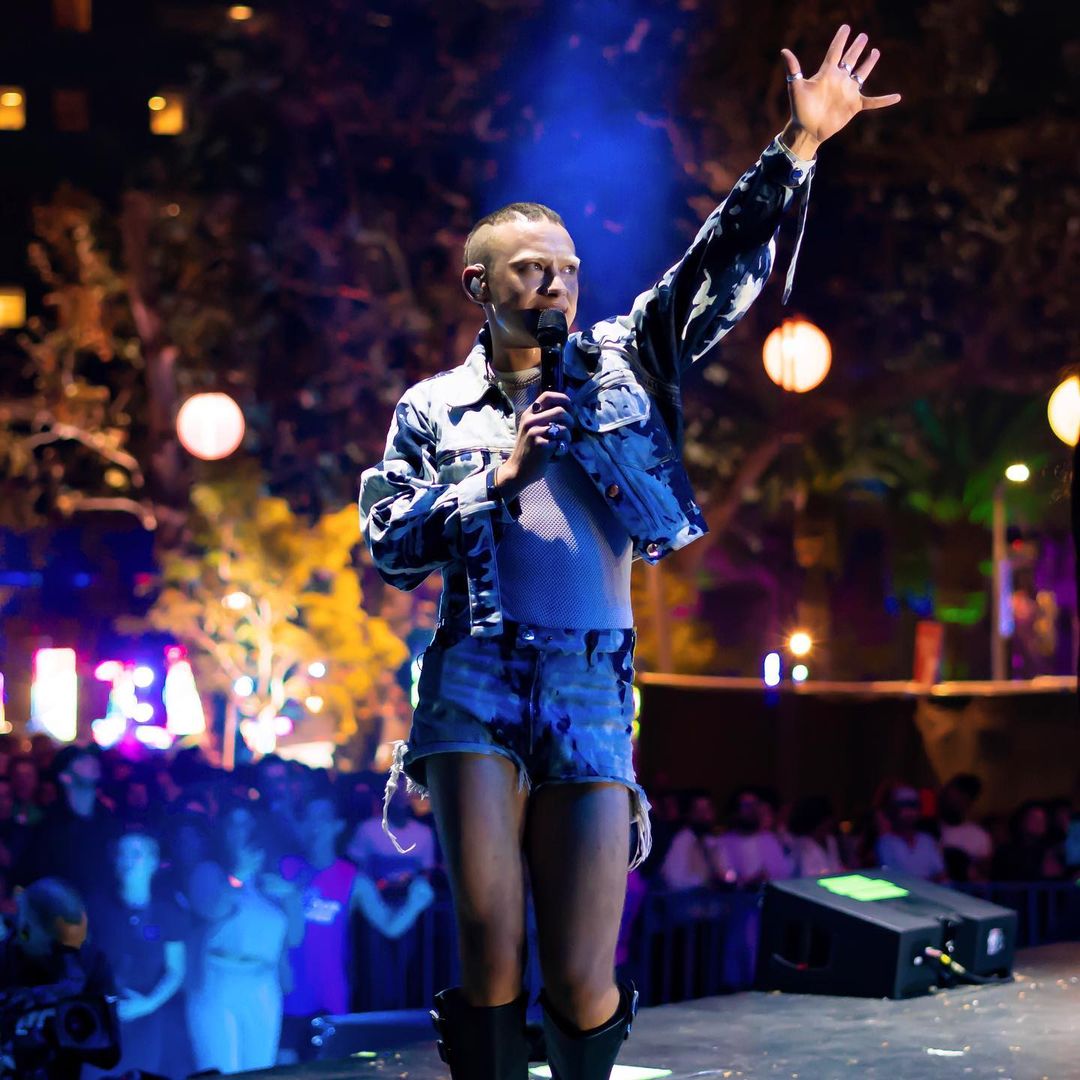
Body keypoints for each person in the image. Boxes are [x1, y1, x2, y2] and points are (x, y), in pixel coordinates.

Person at [359, 23, 898, 1079]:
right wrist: (495, 480)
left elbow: (715, 268)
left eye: (566, 270)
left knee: (581, 974)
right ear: (478, 286)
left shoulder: (627, 363)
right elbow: (390, 544)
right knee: (491, 945)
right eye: (528, 270)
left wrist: (798, 146)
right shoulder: (432, 408)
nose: (553, 285)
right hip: (475, 669)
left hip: (593, 673)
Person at [86, 831, 188, 1077]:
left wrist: (148, 1004)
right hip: (99, 1019)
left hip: (146, 1020)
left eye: (136, 853)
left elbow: (176, 970)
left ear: (153, 862)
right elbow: (80, 961)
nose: (127, 860)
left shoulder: (168, 911)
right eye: (122, 853)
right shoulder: (96, 907)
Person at [0, 879, 119, 1080]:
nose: (62, 951)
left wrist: (61, 1022)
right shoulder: (5, 959)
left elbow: (109, 1055)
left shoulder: (91, 962)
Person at [184, 859, 289, 1074]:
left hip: (262, 982)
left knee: (260, 1068)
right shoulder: (209, 872)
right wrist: (235, 879)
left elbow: (294, 937)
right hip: (219, 978)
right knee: (220, 1067)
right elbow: (212, 911)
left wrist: (291, 895)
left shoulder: (275, 878)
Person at [875, 784, 946, 882]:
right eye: (903, 806)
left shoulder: (927, 840)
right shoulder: (885, 842)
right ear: (893, 810)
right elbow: (890, 877)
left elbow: (941, 874)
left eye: (913, 805)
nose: (909, 812)